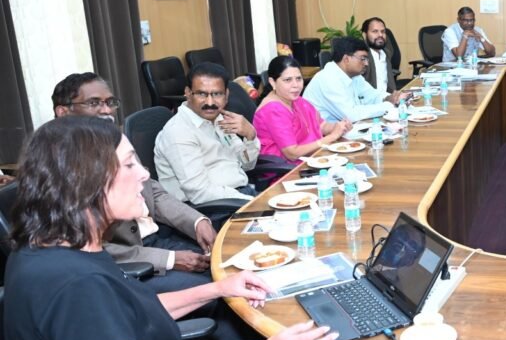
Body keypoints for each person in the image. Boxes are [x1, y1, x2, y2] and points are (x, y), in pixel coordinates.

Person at [4, 116, 414, 340]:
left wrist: (217, 289)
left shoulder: (51, 252)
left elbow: (128, 319)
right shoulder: (75, 287)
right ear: (87, 180)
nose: (144, 173)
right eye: (129, 164)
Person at [52, 72, 213, 291]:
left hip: (158, 236)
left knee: (227, 260)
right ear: (63, 112)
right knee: (212, 287)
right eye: (93, 103)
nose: (106, 110)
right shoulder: (60, 166)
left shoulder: (116, 140)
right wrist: (169, 259)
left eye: (110, 102)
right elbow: (87, 247)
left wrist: (197, 221)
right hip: (128, 264)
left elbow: (152, 191)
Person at [155, 62, 260, 206]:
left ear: (226, 95)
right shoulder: (178, 132)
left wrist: (250, 136)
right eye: (201, 94)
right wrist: (252, 201)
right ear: (188, 93)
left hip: (239, 194)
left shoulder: (220, 118)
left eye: (217, 94)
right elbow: (200, 193)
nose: (210, 102)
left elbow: (247, 165)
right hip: (212, 208)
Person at [254, 56, 352, 164]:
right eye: (288, 80)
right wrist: (331, 137)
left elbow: (321, 126)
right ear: (272, 82)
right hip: (287, 168)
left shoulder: (297, 100)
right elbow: (292, 153)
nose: (295, 85)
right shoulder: (273, 109)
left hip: (313, 158)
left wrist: (338, 127)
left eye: (298, 79)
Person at [305, 36, 410, 123]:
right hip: (321, 137)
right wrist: (389, 105)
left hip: (344, 130)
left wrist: (390, 98)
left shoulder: (354, 76)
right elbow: (351, 115)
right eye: (363, 59)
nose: (366, 63)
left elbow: (372, 95)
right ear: (346, 59)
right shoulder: (328, 79)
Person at [363, 17, 397, 94]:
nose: (380, 35)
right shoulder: (361, 57)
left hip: (387, 98)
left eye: (383, 31)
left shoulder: (386, 53)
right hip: (371, 99)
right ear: (365, 34)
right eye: (375, 31)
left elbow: (390, 85)